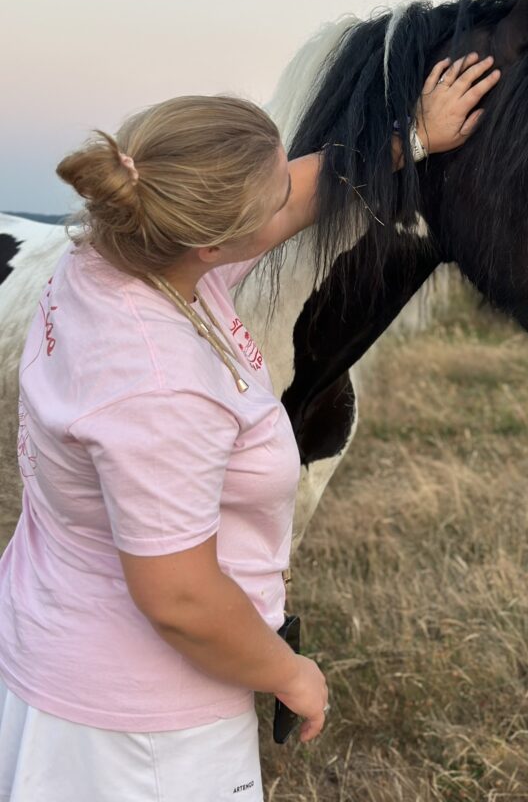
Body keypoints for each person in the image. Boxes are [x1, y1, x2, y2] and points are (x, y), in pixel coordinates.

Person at [0, 53, 500, 802]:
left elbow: (299, 195)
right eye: (268, 199)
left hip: (67, 651)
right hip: (137, 731)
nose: (290, 202)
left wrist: (413, 140)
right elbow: (180, 598)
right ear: (211, 240)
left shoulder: (115, 258)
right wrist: (289, 671)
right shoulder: (158, 380)